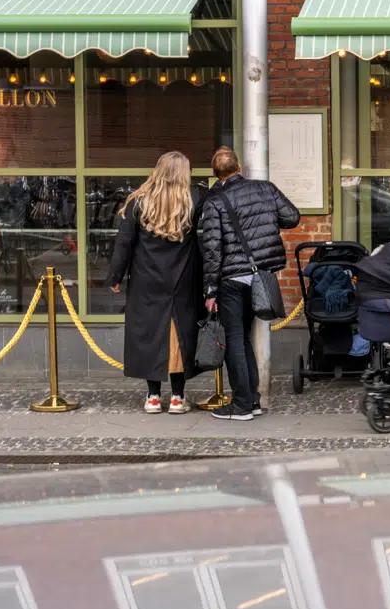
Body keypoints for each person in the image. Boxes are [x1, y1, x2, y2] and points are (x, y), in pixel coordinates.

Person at [197, 146, 300, 421]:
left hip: (231, 281)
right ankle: (252, 400)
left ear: (213, 173)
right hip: (259, 279)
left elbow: (212, 250)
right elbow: (292, 217)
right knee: (242, 339)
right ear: (239, 168)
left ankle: (242, 404)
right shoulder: (265, 189)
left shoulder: (215, 201)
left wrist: (210, 290)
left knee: (235, 341)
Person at [106, 151, 206, 414]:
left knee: (150, 336)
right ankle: (177, 397)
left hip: (146, 280)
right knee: (179, 337)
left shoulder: (138, 202)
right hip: (182, 281)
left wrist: (115, 276)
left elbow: (124, 243)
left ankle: (152, 396)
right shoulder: (193, 200)